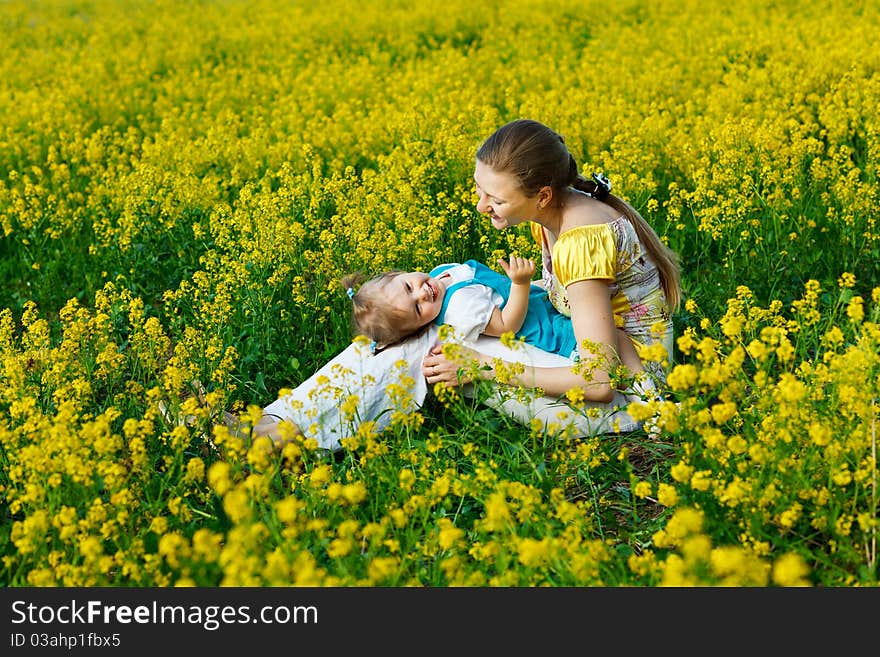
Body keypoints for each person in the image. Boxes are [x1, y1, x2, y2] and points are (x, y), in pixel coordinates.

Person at [249, 118, 680, 451]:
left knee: (439, 335)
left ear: (543, 195)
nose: (481, 206)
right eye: (480, 189)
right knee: (428, 315)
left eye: (496, 198)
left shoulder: (580, 242)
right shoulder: (557, 214)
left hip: (631, 389)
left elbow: (599, 381)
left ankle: (283, 432)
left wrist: (479, 366)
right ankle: (282, 421)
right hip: (583, 348)